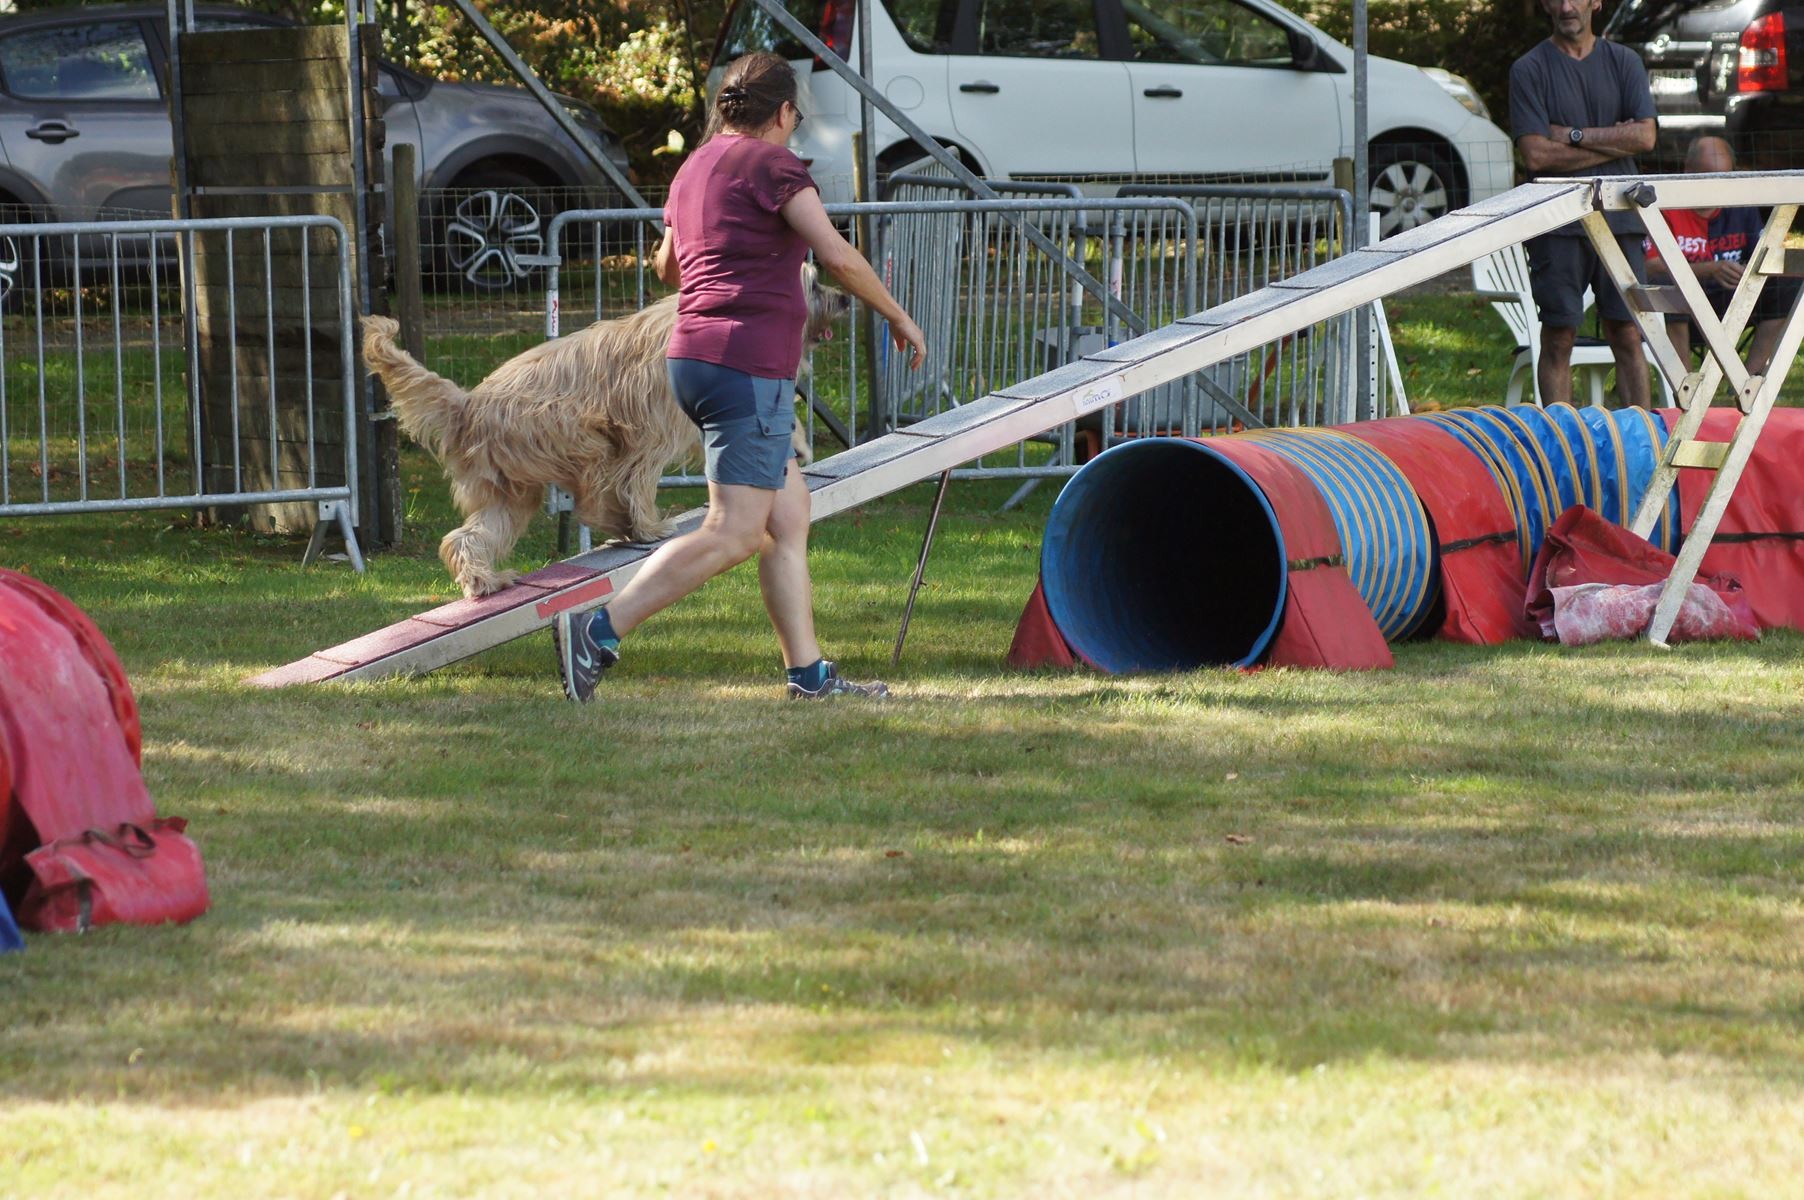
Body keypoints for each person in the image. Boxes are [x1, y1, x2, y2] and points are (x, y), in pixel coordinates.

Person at [554, 51, 928, 704]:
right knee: (736, 529)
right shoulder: (776, 166)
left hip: (695, 359)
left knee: (787, 518)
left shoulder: (693, 169)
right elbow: (835, 253)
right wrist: (898, 316)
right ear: (785, 112)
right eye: (794, 117)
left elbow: (669, 269)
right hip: (745, 366)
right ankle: (599, 629)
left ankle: (809, 675)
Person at [1508, 0, 1658, 408]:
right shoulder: (1529, 69)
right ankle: (1561, 442)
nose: (1567, 6)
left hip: (1620, 217)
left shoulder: (1625, 62)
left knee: (1627, 332)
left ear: (1597, 2)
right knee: (1558, 336)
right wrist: (1613, 144)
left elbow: (1645, 138)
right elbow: (1536, 156)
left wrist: (1572, 136)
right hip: (1557, 222)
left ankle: (1640, 439)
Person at [1644, 135, 1800, 378]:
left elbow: (1762, 255)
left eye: (1724, 177)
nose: (1717, 186)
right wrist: (1711, 268)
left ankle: (1749, 381)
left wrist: (1751, 269)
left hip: (1734, 302)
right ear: (1688, 171)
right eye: (1708, 177)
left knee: (1788, 286)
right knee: (1669, 288)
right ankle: (1683, 385)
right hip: (1686, 308)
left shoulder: (1741, 207)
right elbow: (1650, 266)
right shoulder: (1665, 209)